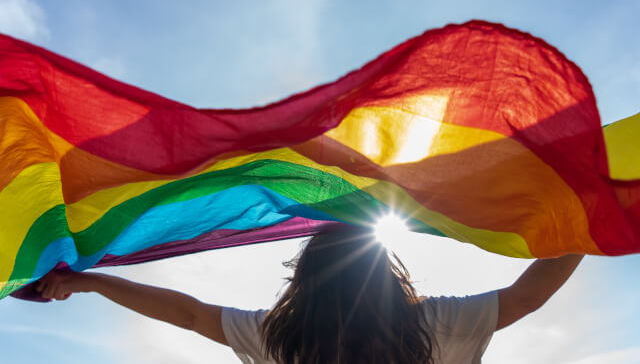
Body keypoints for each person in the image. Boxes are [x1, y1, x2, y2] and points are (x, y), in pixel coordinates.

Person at [36, 227, 583, 363]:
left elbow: (187, 312)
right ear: (386, 271)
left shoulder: (280, 339)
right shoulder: (435, 326)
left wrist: (91, 280)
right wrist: (593, 229)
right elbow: (526, 297)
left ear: (302, 280)